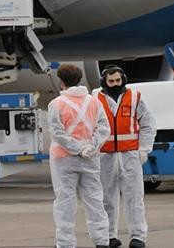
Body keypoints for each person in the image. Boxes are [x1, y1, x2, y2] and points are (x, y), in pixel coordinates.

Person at [48, 64, 111, 248]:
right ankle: (102, 240)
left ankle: (66, 243)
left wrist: (75, 148)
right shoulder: (94, 102)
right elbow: (104, 128)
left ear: (62, 82)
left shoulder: (56, 104)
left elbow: (57, 132)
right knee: (95, 200)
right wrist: (90, 147)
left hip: (63, 159)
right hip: (90, 158)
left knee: (64, 203)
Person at [94, 66, 156, 248]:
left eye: (117, 81)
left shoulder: (135, 97)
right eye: (111, 81)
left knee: (134, 197)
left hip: (130, 155)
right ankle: (108, 236)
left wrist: (144, 149)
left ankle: (138, 237)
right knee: (106, 198)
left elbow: (148, 123)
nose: (114, 84)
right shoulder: (95, 99)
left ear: (123, 80)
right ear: (104, 82)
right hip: (104, 156)